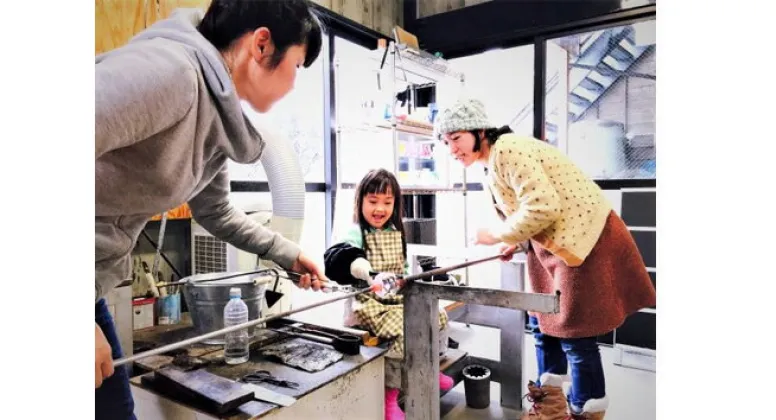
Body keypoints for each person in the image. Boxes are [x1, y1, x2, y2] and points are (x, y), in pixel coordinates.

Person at [95, 1, 327, 418]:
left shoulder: (217, 115)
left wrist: (289, 254)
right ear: (261, 44)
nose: (294, 85)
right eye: (297, 65)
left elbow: (215, 211)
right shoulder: (172, 73)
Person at [434, 99, 656, 420]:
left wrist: (497, 234)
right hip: (552, 248)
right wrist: (513, 240)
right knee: (543, 326)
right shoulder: (491, 163)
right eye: (446, 142)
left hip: (582, 241)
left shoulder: (508, 149)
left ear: (479, 130)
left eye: (456, 138)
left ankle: (585, 411)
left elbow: (543, 207)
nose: (452, 149)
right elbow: (527, 211)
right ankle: (550, 408)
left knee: (575, 333)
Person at [323, 169, 454, 420]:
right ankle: (390, 396)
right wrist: (371, 275)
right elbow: (344, 260)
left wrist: (404, 279)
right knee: (403, 328)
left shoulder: (395, 231)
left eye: (387, 202)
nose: (380, 209)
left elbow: (400, 269)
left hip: (393, 297)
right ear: (360, 201)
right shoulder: (354, 233)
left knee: (437, 315)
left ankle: (430, 368)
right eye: (373, 202)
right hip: (366, 303)